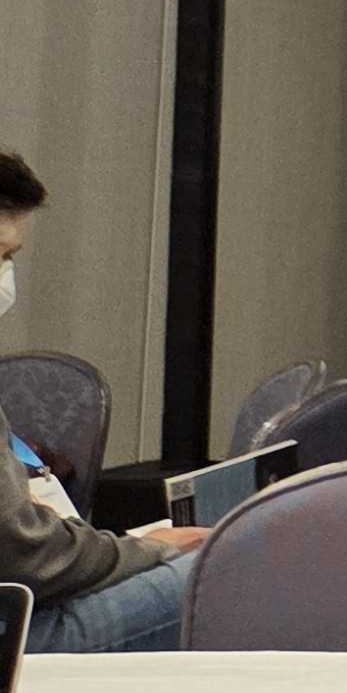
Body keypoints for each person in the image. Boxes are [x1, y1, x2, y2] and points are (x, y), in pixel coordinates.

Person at [0, 150, 210, 651]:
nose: (7, 277)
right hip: (17, 636)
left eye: (10, 258)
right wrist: (142, 549)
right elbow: (22, 555)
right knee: (218, 571)